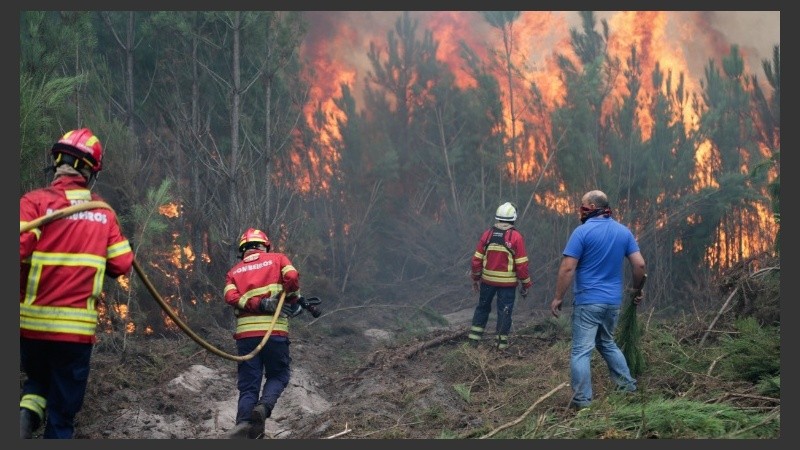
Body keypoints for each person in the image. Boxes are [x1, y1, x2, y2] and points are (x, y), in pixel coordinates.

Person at [19, 128, 134, 439]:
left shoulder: (33, 203)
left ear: (57, 161)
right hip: (74, 335)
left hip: (31, 329)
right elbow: (122, 263)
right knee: (62, 413)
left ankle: (24, 420)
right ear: (89, 171)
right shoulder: (102, 213)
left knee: (37, 383)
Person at [550, 190, 646, 411]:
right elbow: (639, 265)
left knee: (581, 351)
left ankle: (582, 401)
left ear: (592, 206)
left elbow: (567, 268)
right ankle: (627, 387)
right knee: (606, 343)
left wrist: (558, 297)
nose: (580, 209)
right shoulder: (624, 232)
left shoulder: (582, 232)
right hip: (613, 302)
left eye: (582, 205)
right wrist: (636, 289)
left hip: (588, 301)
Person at [223, 228, 305, 439]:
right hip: (274, 332)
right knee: (279, 374)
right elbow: (293, 277)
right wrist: (291, 299)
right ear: (264, 246)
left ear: (243, 250)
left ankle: (243, 428)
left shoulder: (234, 271)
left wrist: (258, 303)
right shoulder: (278, 259)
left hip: (246, 337)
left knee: (249, 386)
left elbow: (231, 297)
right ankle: (264, 408)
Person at [469, 202, 533, 350]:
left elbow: (476, 260)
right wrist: (526, 284)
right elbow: (522, 264)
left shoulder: (488, 234)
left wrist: (475, 278)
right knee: (504, 312)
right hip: (508, 285)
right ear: (513, 219)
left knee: (482, 308)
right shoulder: (516, 237)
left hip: (487, 282)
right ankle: (501, 347)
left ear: (497, 218)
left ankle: (473, 343)